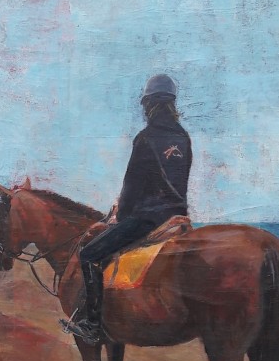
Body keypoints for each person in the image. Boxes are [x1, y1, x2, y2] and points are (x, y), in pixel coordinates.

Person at [62, 74, 192, 344]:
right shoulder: (183, 137)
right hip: (176, 216)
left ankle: (93, 325)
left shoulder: (145, 138)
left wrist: (119, 216)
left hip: (147, 219)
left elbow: (132, 186)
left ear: (149, 104)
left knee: (89, 255)